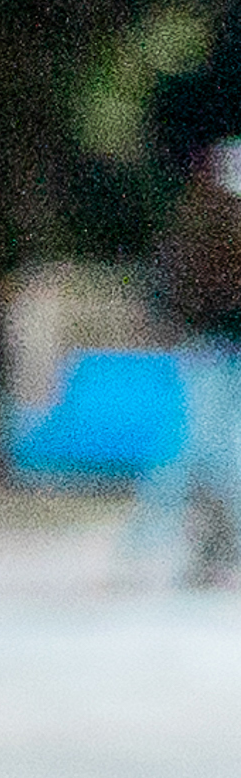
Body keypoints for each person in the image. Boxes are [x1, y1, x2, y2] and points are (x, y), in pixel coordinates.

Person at [151, 137, 241, 589]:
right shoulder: (202, 227)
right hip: (211, 349)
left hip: (213, 349)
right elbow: (181, 287)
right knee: (205, 454)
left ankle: (209, 553)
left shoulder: (199, 223)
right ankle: (172, 551)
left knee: (210, 455)